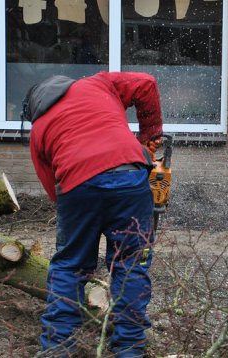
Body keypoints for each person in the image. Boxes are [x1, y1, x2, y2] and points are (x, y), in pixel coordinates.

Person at [23, 72, 163, 357]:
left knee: (69, 266)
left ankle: (58, 348)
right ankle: (131, 348)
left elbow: (54, 190)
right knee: (131, 264)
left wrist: (81, 212)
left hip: (77, 187)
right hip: (131, 177)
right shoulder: (97, 83)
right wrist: (149, 137)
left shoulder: (38, 130)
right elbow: (146, 83)